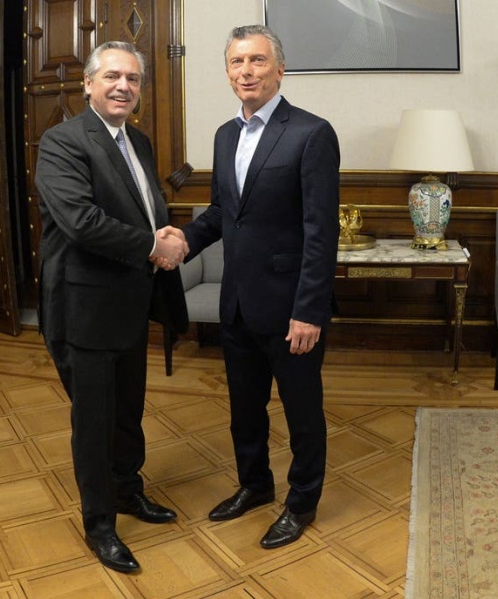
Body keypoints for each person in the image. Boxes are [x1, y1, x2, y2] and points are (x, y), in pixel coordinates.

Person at [181, 25, 340, 549]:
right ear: (228, 72)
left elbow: (321, 232)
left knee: (302, 414)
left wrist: (309, 310)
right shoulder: (225, 135)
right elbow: (223, 212)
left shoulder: (312, 133)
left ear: (279, 69)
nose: (246, 71)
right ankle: (255, 486)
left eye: (257, 61)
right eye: (236, 62)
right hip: (237, 304)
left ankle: (301, 503)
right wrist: (181, 242)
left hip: (291, 308)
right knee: (244, 409)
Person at [34, 41, 189, 574]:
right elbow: (80, 222)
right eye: (112, 76)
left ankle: (127, 490)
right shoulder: (62, 141)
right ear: (88, 84)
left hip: (129, 303)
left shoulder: (137, 141)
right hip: (84, 309)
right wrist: (153, 245)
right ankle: (100, 525)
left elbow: (140, 208)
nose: (124, 86)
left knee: (127, 412)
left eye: (133, 79)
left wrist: (164, 232)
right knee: (95, 422)